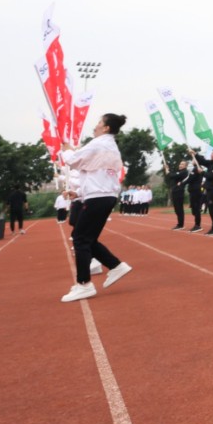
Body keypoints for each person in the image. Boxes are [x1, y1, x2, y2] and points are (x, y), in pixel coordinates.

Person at [58, 114, 133, 302]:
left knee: (80, 238)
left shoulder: (99, 143)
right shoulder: (109, 145)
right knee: (87, 239)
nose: (95, 126)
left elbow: (74, 160)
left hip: (99, 197)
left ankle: (84, 284)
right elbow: (96, 174)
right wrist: (79, 193)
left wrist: (66, 150)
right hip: (103, 196)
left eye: (99, 122)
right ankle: (116, 266)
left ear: (106, 128)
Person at [167, 160, 189, 230]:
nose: (180, 165)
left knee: (179, 208)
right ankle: (179, 224)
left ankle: (181, 225)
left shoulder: (184, 172)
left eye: (182, 164)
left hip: (179, 192)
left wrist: (168, 171)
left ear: (186, 166)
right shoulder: (179, 172)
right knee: (177, 209)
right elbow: (171, 175)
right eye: (180, 164)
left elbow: (172, 175)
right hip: (175, 191)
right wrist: (167, 170)